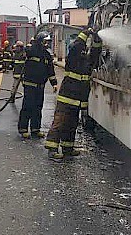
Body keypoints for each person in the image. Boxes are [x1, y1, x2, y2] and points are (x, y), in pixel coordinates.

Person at [45, 28, 102, 161]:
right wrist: (86, 33)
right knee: (59, 123)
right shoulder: (73, 58)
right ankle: (52, 149)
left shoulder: (88, 62)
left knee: (71, 125)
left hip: (77, 100)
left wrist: (97, 40)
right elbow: (77, 46)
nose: (84, 52)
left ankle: (67, 148)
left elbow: (96, 53)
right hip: (67, 97)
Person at [17, 32, 57, 139]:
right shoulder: (32, 50)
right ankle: (23, 129)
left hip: (40, 86)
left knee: (38, 107)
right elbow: (25, 53)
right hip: (30, 85)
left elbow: (50, 70)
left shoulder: (47, 55)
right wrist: (31, 45)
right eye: (45, 41)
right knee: (27, 107)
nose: (47, 44)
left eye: (48, 42)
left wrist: (54, 84)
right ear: (40, 41)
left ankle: (35, 129)